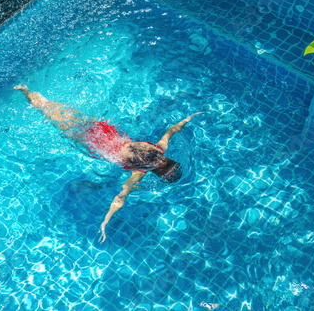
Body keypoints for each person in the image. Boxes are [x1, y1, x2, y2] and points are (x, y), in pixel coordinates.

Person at [14, 85, 203, 242]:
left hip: (105, 130)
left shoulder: (159, 149)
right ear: (158, 173)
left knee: (66, 113)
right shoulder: (139, 172)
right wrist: (105, 222)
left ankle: (35, 95)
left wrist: (187, 119)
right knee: (52, 115)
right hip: (92, 142)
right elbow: (120, 199)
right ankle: (27, 93)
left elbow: (171, 130)